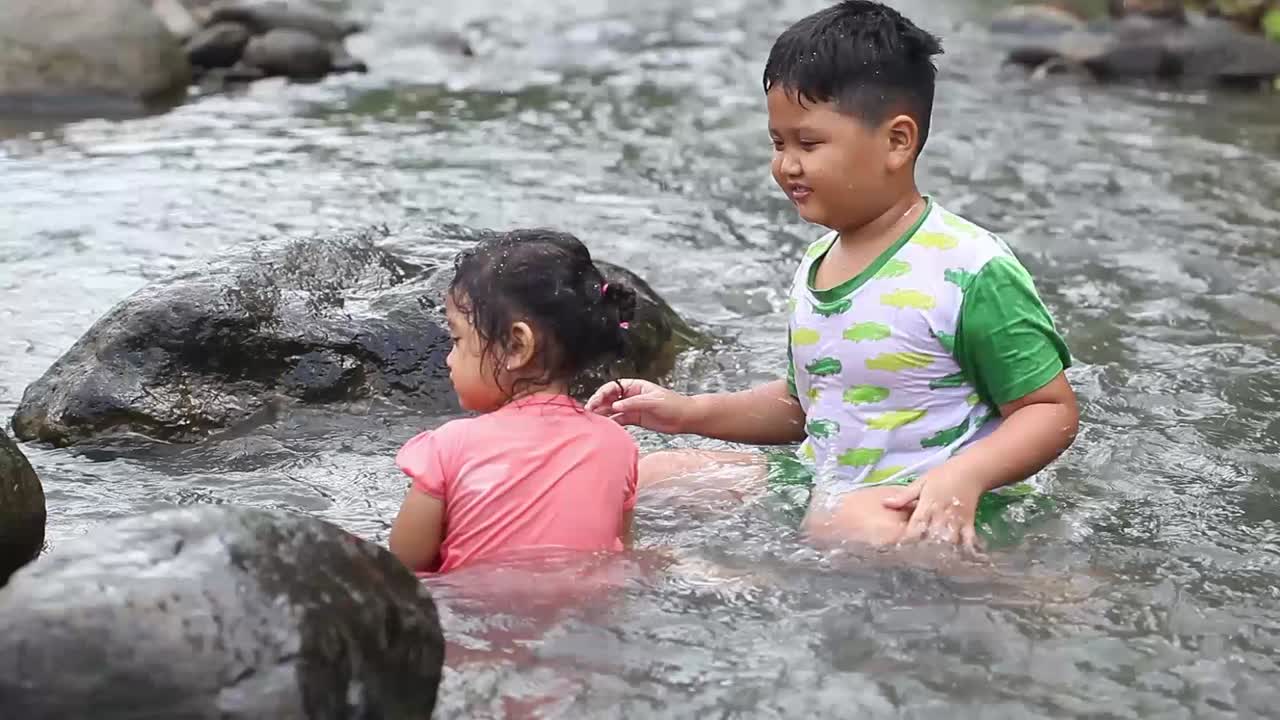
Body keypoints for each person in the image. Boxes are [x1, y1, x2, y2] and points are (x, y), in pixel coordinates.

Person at [587, 0, 1079, 552]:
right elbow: (808, 408)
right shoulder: (818, 261)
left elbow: (1049, 410)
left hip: (932, 499)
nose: (786, 165)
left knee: (845, 524)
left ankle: (1029, 592)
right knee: (645, 477)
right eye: (778, 143)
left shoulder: (969, 269)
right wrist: (688, 413)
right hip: (820, 481)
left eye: (809, 143)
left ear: (897, 141)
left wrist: (966, 477)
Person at [390, 229, 640, 574]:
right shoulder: (618, 445)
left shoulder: (449, 448)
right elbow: (619, 553)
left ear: (517, 346)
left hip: (475, 620)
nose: (449, 358)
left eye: (457, 339)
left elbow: (404, 566)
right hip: (586, 622)